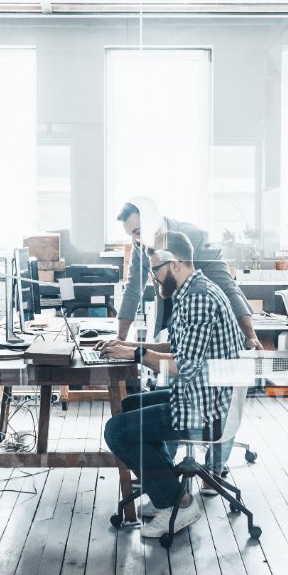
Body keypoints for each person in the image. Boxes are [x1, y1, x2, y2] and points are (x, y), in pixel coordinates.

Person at [101, 231, 245, 540]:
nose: (152, 277)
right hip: (207, 396)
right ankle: (168, 488)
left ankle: (176, 503)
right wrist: (128, 345)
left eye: (155, 269)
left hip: (207, 410)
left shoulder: (197, 299)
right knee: (130, 407)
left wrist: (136, 354)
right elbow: (180, 349)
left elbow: (185, 366)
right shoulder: (193, 290)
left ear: (175, 264)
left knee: (116, 430)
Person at [115, 198, 261, 350]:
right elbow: (133, 289)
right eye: (130, 234)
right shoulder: (140, 245)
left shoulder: (197, 237)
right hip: (173, 320)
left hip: (207, 321)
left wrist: (250, 335)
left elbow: (227, 287)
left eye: (137, 232)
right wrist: (120, 339)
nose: (134, 240)